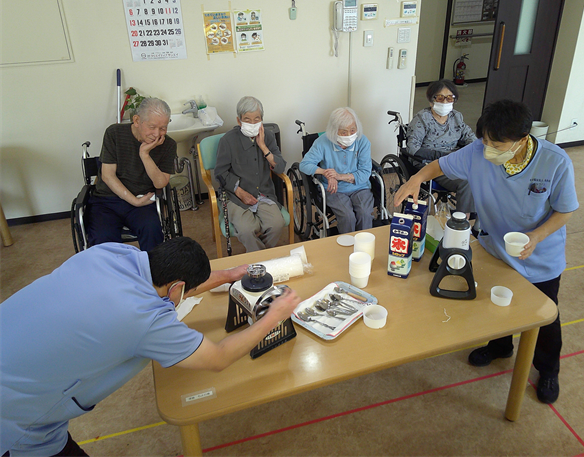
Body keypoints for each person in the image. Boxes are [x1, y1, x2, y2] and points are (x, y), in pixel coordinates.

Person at [0, 237, 301, 457]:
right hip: (16, 413)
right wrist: (273, 316)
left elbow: (172, 283)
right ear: (177, 288)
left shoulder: (111, 252)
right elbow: (218, 358)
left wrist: (230, 274)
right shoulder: (143, 318)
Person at [394, 100, 578, 404]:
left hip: (539, 256)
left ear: (522, 139)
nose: (489, 148)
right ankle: (500, 346)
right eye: (485, 140)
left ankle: (547, 370)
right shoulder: (478, 152)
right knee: (497, 303)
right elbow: (439, 165)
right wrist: (416, 179)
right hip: (496, 248)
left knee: (544, 316)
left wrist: (536, 236)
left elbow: (565, 211)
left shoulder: (555, 162)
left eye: (497, 143)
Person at [86, 97, 176, 252]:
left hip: (143, 199)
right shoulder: (114, 133)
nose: (157, 134)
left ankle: (153, 274)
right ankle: (114, 275)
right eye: (152, 126)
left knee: (152, 231)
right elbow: (107, 175)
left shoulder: (168, 144)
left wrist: (145, 155)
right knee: (103, 241)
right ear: (136, 120)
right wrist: (133, 200)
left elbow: (160, 183)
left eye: (163, 128)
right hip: (107, 200)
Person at [214, 96, 286, 252]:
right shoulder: (228, 141)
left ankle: (256, 257)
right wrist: (240, 192)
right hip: (235, 196)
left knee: (276, 224)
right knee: (247, 229)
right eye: (247, 120)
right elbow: (220, 173)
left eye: (256, 119)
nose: (252, 124)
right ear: (239, 121)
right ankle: (261, 261)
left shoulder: (268, 136)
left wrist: (263, 147)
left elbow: (280, 168)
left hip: (263, 194)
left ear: (261, 120)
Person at [405, 79, 476, 215]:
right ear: (431, 100)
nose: (444, 102)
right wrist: (440, 156)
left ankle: (478, 220)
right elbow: (412, 148)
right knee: (467, 182)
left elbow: (470, 138)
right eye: (440, 98)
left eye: (449, 98)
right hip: (431, 163)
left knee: (482, 175)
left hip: (454, 160)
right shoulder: (422, 119)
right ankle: (462, 221)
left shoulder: (456, 117)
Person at [299, 107, 374, 234]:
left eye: (352, 130)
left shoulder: (362, 141)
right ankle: (347, 246)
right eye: (343, 132)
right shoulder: (322, 142)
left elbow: (365, 173)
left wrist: (339, 176)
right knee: (347, 216)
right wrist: (326, 173)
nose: (349, 135)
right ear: (334, 131)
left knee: (365, 213)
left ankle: (363, 245)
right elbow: (304, 165)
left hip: (360, 187)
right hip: (334, 189)